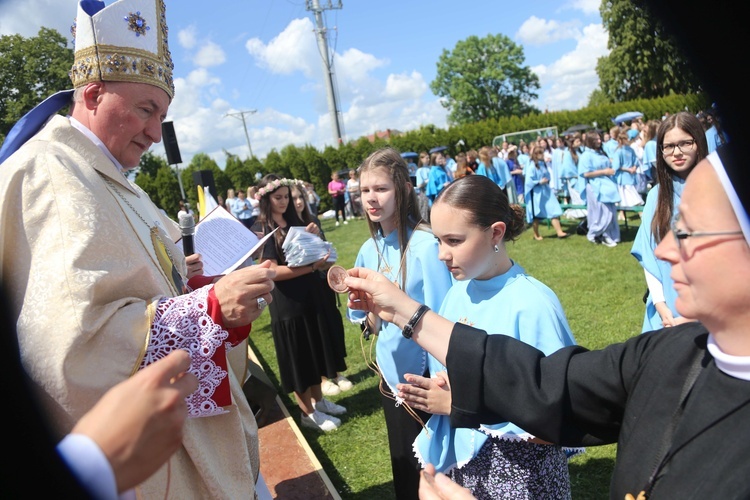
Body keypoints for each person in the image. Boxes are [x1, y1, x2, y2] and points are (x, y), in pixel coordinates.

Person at [343, 145, 750, 500]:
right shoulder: (669, 354)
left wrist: (460, 402)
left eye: (687, 232)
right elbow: (542, 383)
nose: (660, 250)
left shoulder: (533, 301)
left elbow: (549, 411)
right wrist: (401, 315)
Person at [0, 1, 275, 497]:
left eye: (162, 115)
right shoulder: (52, 174)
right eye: (146, 110)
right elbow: (71, 349)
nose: (155, 132)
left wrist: (200, 288)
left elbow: (151, 284)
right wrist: (210, 309)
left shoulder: (120, 181)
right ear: (92, 93)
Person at [398, 175, 578, 499]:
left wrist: (457, 405)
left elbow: (558, 418)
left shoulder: (533, 304)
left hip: (522, 474)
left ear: (496, 232)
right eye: (438, 240)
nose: (441, 254)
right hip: (469, 466)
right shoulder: (458, 292)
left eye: (454, 241)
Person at [347, 148, 453, 500]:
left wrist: (444, 383)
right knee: (405, 469)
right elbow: (375, 326)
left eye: (381, 189)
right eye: (365, 191)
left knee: (434, 472)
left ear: (403, 190)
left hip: (426, 382)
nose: (372, 199)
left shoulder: (425, 247)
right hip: (390, 379)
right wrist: (368, 309)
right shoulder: (369, 248)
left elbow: (443, 320)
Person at [252, 175, 348, 432]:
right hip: (287, 305)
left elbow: (312, 253)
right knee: (298, 358)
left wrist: (313, 239)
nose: (284, 202)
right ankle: (307, 412)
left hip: (309, 298)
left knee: (313, 351)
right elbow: (271, 271)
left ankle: (319, 401)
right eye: (278, 197)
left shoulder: (297, 222)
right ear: (266, 199)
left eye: (286, 196)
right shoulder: (265, 228)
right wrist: (310, 268)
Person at [631, 112, 708, 332]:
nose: (677, 152)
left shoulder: (721, 191)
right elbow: (650, 257)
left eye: (685, 143)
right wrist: (661, 305)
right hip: (666, 315)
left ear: (699, 143)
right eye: (669, 146)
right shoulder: (656, 196)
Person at [290, 180, 354, 396]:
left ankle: (337, 371)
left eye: (300, 197)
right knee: (316, 330)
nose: (298, 201)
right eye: (294, 198)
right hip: (305, 288)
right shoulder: (289, 228)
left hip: (322, 282)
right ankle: (324, 377)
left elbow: (325, 252)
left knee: (331, 326)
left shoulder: (313, 221)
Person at [578, 132, 621, 247]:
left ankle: (610, 234)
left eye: (599, 139)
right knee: (602, 212)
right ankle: (600, 234)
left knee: (610, 211)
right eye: (596, 139)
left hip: (607, 186)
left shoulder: (600, 152)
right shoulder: (586, 155)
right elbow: (585, 173)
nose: (599, 141)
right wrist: (604, 172)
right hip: (596, 187)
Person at [525, 146, 569, 240]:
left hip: (546, 192)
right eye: (540, 153)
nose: (543, 155)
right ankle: (536, 234)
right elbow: (528, 181)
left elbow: (548, 175)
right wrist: (539, 182)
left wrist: (546, 180)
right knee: (536, 215)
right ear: (536, 155)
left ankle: (559, 232)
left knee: (553, 210)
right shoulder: (532, 166)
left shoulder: (543, 164)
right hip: (536, 194)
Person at [612, 131, 644, 218]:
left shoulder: (630, 149)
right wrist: (628, 169)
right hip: (622, 178)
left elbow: (636, 161)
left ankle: (622, 214)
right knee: (631, 195)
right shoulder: (619, 151)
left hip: (630, 176)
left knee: (626, 196)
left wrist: (634, 167)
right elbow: (616, 166)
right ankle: (639, 213)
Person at [415, 151, 432, 221]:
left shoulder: (430, 168)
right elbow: (418, 185)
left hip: (430, 192)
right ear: (421, 159)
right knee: (424, 212)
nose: (428, 159)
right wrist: (427, 181)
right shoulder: (419, 170)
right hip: (424, 193)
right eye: (426, 158)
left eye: (429, 158)